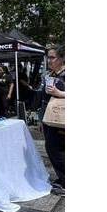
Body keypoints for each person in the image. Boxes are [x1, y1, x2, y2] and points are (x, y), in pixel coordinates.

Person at [41, 45, 65, 195]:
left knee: (56, 149)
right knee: (53, 148)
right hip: (50, 117)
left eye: (52, 57)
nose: (49, 60)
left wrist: (59, 92)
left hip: (61, 118)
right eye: (48, 57)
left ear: (62, 58)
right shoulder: (52, 74)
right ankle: (62, 179)